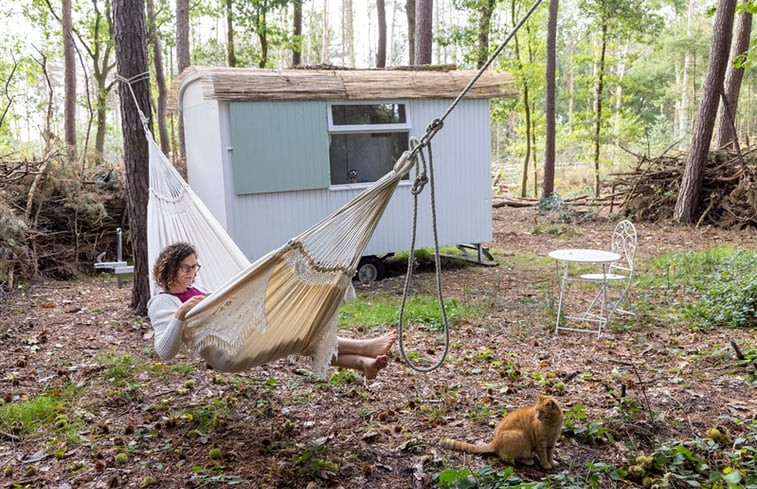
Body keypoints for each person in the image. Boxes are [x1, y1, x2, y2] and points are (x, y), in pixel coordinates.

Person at [147, 242, 397, 380]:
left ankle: (363, 362)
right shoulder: (163, 302)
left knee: (300, 339)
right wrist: (180, 315)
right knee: (297, 335)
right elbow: (164, 352)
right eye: (185, 268)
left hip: (239, 337)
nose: (191, 273)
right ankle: (363, 349)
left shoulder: (198, 288)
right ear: (169, 269)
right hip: (227, 352)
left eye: (194, 267)